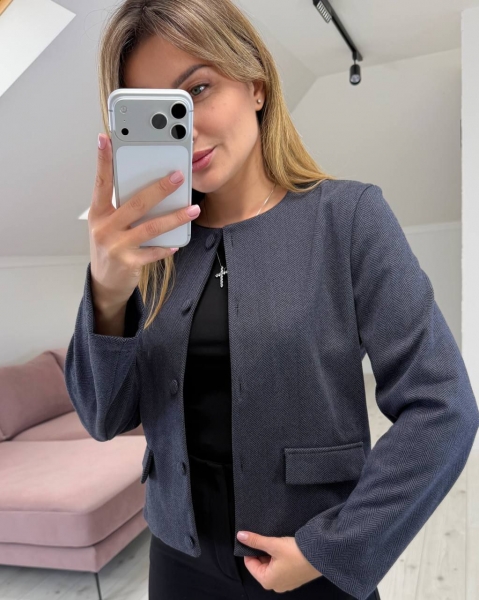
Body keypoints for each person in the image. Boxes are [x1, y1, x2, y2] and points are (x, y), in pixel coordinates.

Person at [65, 0, 479, 599]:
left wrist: (331, 548)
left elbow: (443, 406)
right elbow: (103, 417)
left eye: (198, 90)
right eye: (159, 112)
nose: (186, 128)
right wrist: (107, 289)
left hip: (307, 561)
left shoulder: (348, 218)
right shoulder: (148, 250)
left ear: (255, 85)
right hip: (178, 561)